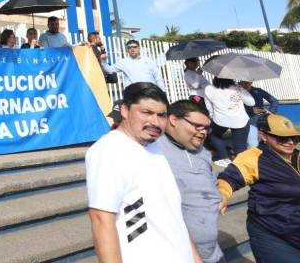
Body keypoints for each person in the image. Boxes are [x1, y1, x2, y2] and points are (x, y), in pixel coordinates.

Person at [86, 82, 202, 263]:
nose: (155, 122)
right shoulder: (109, 151)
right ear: (125, 110)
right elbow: (102, 220)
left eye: (161, 115)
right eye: (146, 113)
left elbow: (173, 215)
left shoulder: (155, 148)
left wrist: (196, 258)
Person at [217, 114, 300, 262]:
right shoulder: (254, 157)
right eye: (282, 138)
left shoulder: (297, 155)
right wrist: (222, 194)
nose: (290, 142)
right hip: (271, 231)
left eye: (294, 138)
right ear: (263, 135)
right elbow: (229, 178)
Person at [156, 100, 224, 263]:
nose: (203, 132)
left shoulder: (203, 152)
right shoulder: (153, 150)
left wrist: (220, 195)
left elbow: (210, 183)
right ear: (173, 120)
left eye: (206, 128)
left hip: (213, 253)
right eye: (197, 125)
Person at [204, 77, 254, 166]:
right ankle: (240, 164)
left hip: (220, 120)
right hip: (240, 120)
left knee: (214, 135)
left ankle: (225, 158)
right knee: (240, 146)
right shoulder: (238, 88)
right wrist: (245, 90)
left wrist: (213, 116)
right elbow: (251, 103)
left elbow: (209, 107)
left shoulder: (209, 89)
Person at [241, 81, 279, 148]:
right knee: (252, 145)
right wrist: (251, 110)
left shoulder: (258, 91)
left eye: (247, 82)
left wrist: (270, 112)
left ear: (251, 81)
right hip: (247, 121)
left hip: (261, 121)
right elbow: (233, 107)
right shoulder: (237, 93)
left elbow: (274, 101)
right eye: (243, 82)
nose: (245, 84)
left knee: (265, 143)